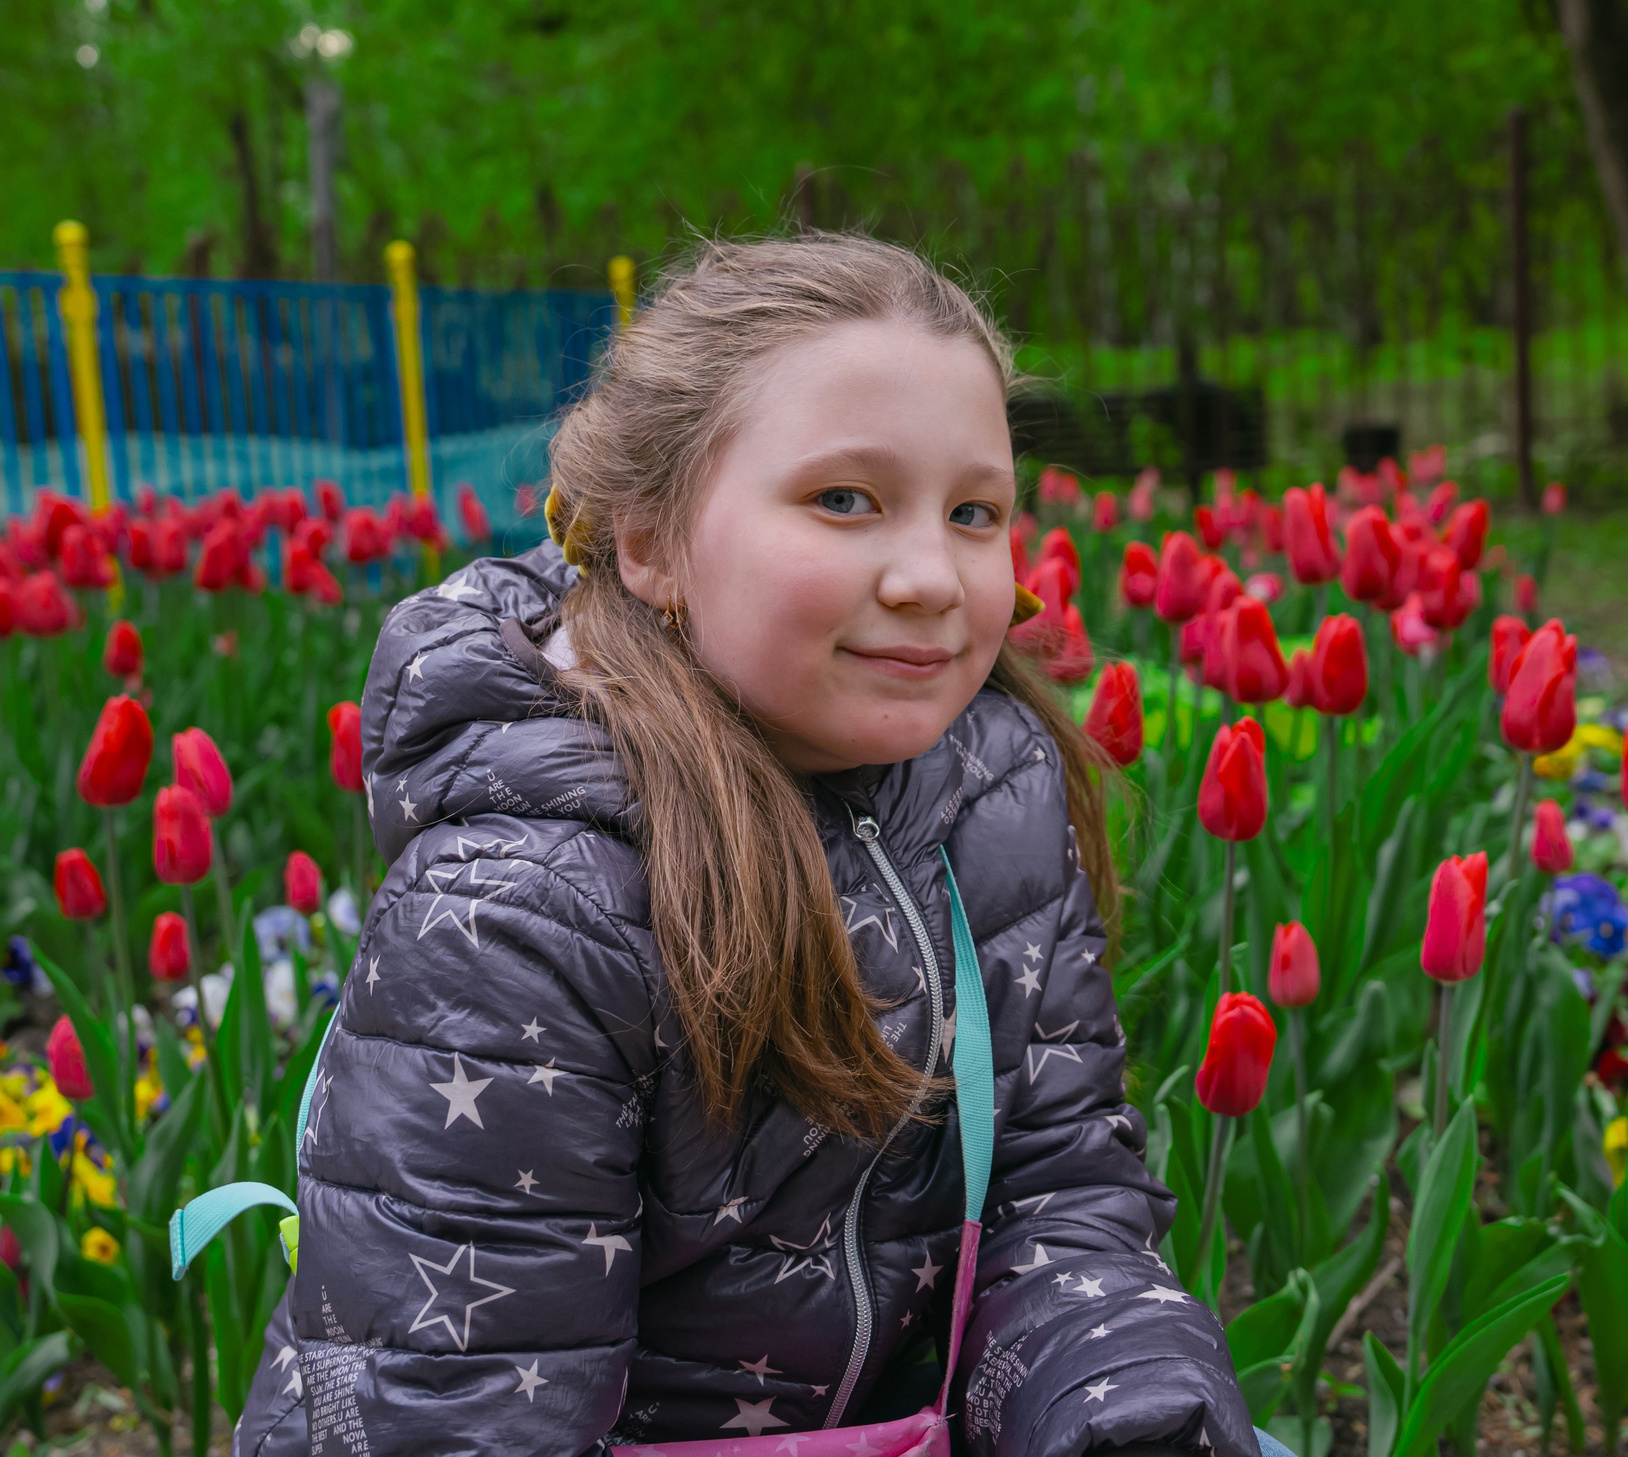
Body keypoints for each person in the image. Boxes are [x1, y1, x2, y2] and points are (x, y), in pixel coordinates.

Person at [231, 234, 1254, 1457]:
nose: (932, 572)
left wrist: (1119, 1411)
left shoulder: (998, 787)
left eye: (975, 510)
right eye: (844, 500)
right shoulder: (530, 905)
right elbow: (452, 1407)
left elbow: (1058, 1189)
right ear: (652, 541)